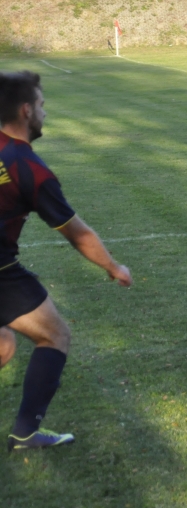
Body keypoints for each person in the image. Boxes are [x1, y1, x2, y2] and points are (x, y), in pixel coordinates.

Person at [1, 71, 133, 452]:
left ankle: (25, 434)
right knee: (55, 335)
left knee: (4, 344)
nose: (45, 112)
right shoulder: (31, 169)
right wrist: (113, 267)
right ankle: (26, 433)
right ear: (26, 111)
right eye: (42, 105)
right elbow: (78, 234)